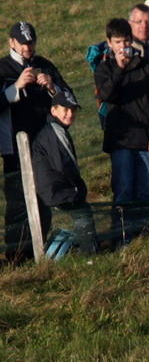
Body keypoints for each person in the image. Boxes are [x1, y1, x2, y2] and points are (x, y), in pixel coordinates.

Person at [1, 21, 71, 263]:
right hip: (14, 149)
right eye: (23, 43)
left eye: (31, 42)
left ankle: (39, 250)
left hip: (46, 147)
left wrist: (53, 88)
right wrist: (17, 87)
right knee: (17, 203)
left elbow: (69, 98)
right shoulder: (2, 69)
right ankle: (16, 256)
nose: (28, 47)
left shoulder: (44, 65)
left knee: (44, 197)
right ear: (12, 42)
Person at [94, 18, 149, 236]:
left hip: (147, 139)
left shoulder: (148, 67)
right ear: (109, 43)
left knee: (146, 192)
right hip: (120, 140)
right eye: (117, 42)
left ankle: (144, 235)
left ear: (131, 41)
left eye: (125, 41)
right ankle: (121, 236)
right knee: (123, 190)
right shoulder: (104, 69)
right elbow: (106, 95)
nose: (122, 46)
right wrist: (120, 69)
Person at [30, 91, 97, 255]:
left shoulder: (53, 128)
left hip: (52, 188)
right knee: (83, 213)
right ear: (53, 111)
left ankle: (78, 250)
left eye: (73, 110)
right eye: (65, 109)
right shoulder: (54, 130)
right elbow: (65, 164)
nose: (70, 114)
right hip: (56, 189)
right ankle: (89, 254)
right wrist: (78, 188)